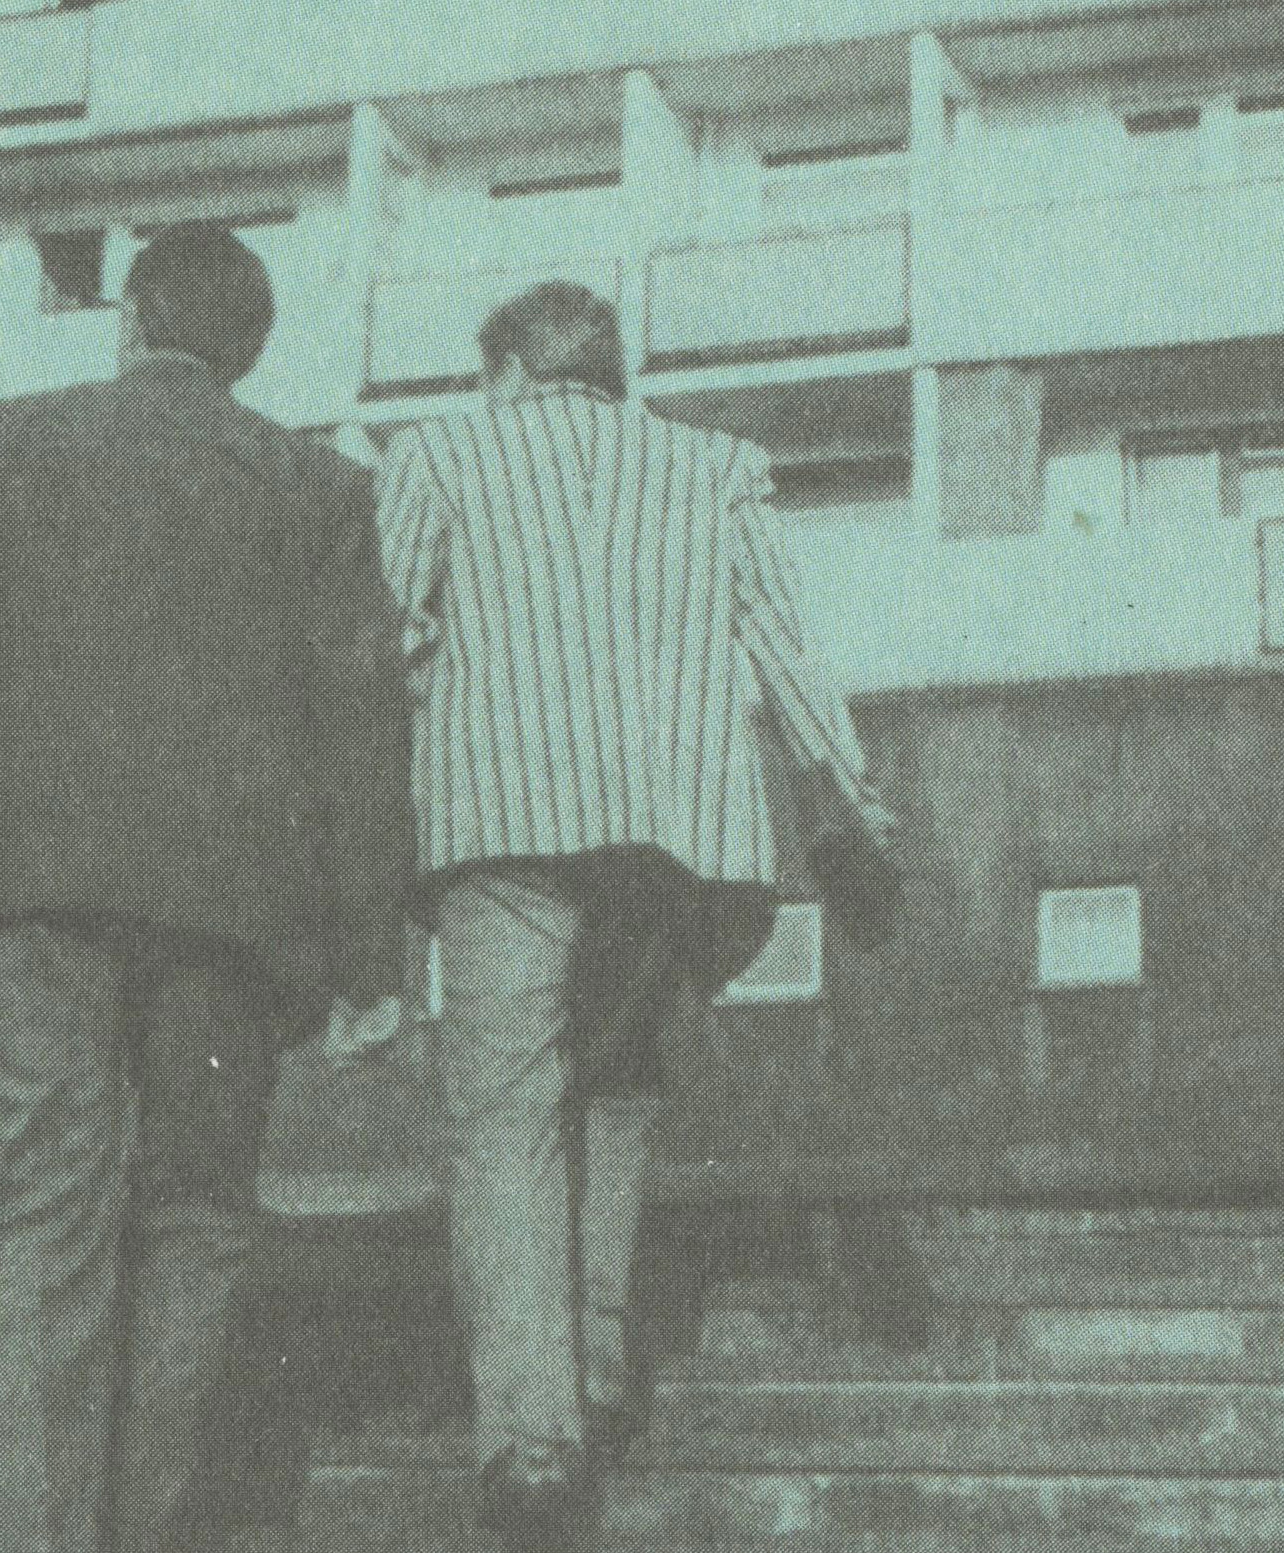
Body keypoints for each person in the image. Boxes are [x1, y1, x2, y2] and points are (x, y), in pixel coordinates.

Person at [0, 223, 415, 1553]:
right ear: (249, 353)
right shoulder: (320, 488)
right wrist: (371, 953)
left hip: (31, 895)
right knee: (193, 1223)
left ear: (129, 320)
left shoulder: (2, 441)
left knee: (28, 1218)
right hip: (237, 926)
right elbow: (364, 724)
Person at [373, 280, 897, 1550]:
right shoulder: (716, 463)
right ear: (609, 371)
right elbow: (782, 639)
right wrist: (856, 805)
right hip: (679, 843)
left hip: (503, 826)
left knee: (505, 1118)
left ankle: (534, 1444)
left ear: (504, 368)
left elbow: (382, 637)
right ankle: (597, 1381)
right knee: (610, 1092)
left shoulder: (437, 452)